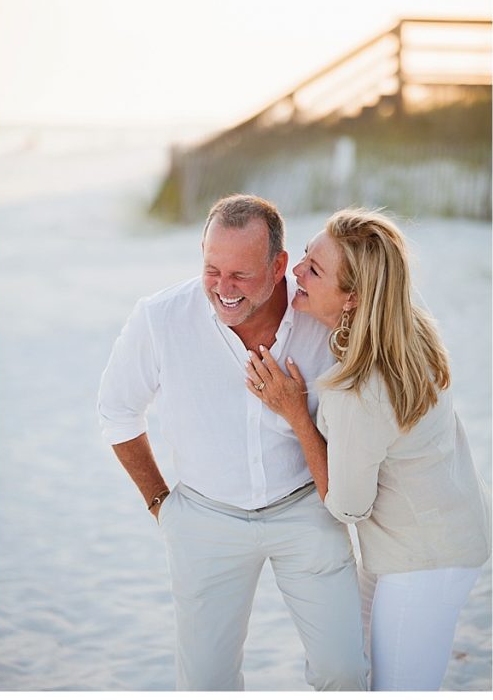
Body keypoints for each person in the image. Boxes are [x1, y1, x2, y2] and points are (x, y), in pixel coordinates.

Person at [97, 194, 367, 691]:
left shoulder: (323, 317)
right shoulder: (161, 319)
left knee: (345, 671)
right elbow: (116, 410)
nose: (224, 289)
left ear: (279, 264)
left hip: (305, 510)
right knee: (206, 683)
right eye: (212, 269)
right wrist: (161, 503)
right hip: (206, 520)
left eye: (241, 275)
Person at [244, 208, 490, 691]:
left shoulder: (358, 388)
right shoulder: (406, 327)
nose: (296, 271)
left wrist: (295, 414)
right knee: (353, 672)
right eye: (307, 256)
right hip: (440, 534)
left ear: (352, 297)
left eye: (314, 270)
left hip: (423, 561)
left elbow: (350, 506)